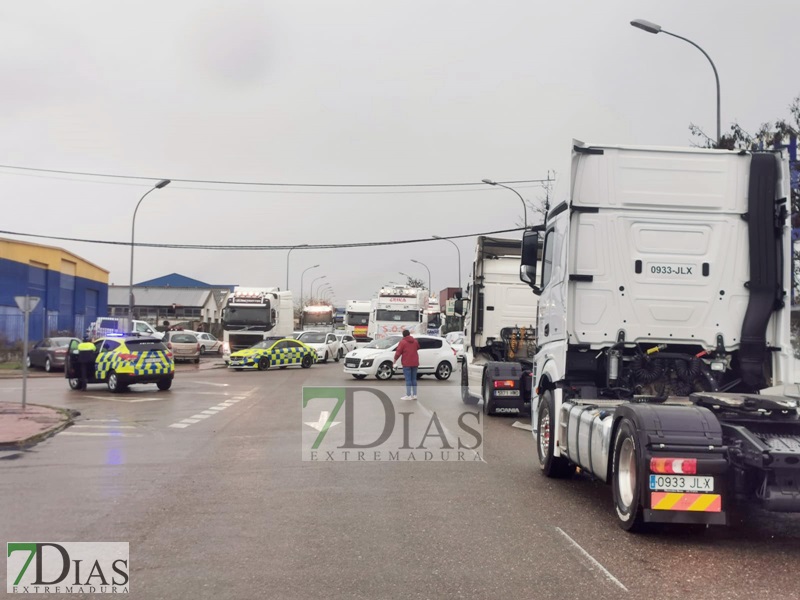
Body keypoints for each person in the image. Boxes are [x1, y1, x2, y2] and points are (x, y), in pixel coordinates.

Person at [394, 329, 420, 400]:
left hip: (406, 363)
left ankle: (408, 395)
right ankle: (414, 395)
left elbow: (398, 352)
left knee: (408, 379)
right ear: (409, 334)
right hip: (415, 362)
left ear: (403, 335)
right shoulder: (415, 341)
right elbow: (418, 347)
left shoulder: (402, 342)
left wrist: (395, 360)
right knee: (414, 379)